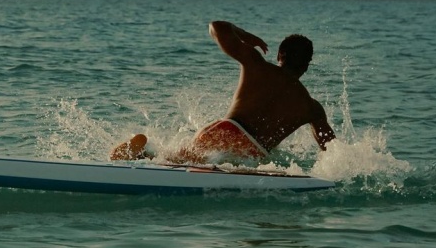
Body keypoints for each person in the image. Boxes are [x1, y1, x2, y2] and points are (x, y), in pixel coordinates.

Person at [110, 20, 335, 163]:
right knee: (194, 165)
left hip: (227, 131)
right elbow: (331, 150)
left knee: (176, 162)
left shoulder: (257, 65)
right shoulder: (311, 108)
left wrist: (244, 34)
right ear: (307, 64)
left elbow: (217, 27)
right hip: (252, 155)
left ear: (279, 55)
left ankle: (141, 155)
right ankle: (142, 157)